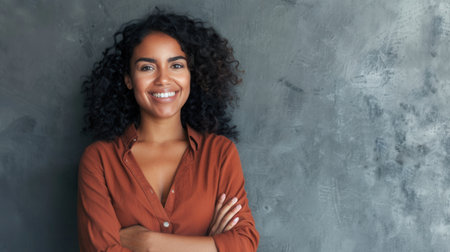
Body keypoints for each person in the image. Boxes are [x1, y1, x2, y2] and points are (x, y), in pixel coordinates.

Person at [77, 9, 259, 252]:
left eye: (176, 65)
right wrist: (210, 246)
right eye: (147, 68)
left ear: (191, 75)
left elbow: (245, 243)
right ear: (129, 79)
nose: (163, 79)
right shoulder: (99, 159)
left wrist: (148, 243)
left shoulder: (219, 153)